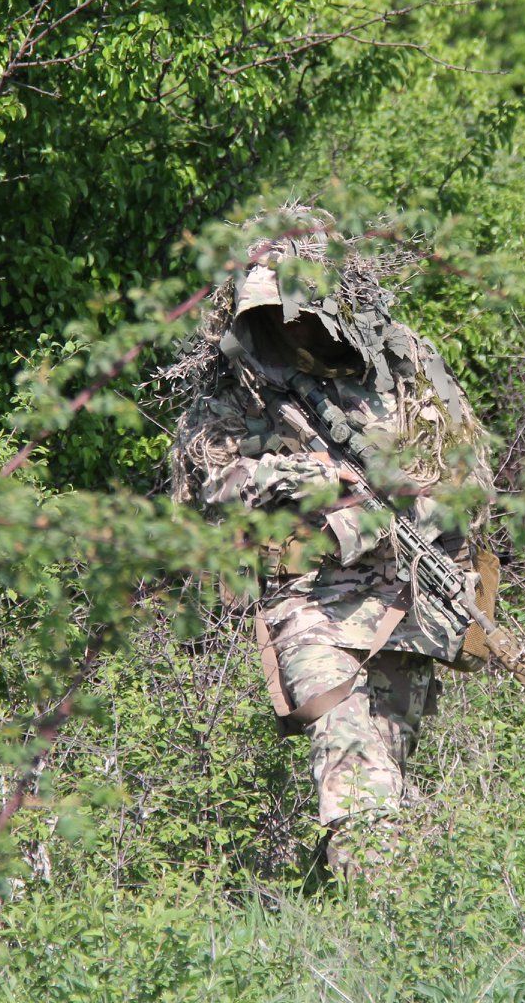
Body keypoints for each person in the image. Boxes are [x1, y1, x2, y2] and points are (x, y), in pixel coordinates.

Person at [170, 212, 492, 878]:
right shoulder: (239, 379)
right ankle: (385, 908)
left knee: (384, 760)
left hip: (403, 599)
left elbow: (470, 478)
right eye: (270, 311)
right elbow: (211, 481)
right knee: (346, 745)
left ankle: (333, 919)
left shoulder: (400, 362)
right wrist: (307, 478)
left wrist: (405, 501)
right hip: (306, 600)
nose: (286, 327)